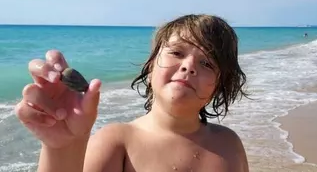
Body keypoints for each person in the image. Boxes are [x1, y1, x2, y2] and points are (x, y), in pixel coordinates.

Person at [15, 14, 250, 172]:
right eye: (177, 53)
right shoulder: (118, 142)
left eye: (207, 64)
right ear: (150, 67)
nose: (189, 66)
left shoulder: (229, 144)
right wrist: (62, 148)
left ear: (219, 85)